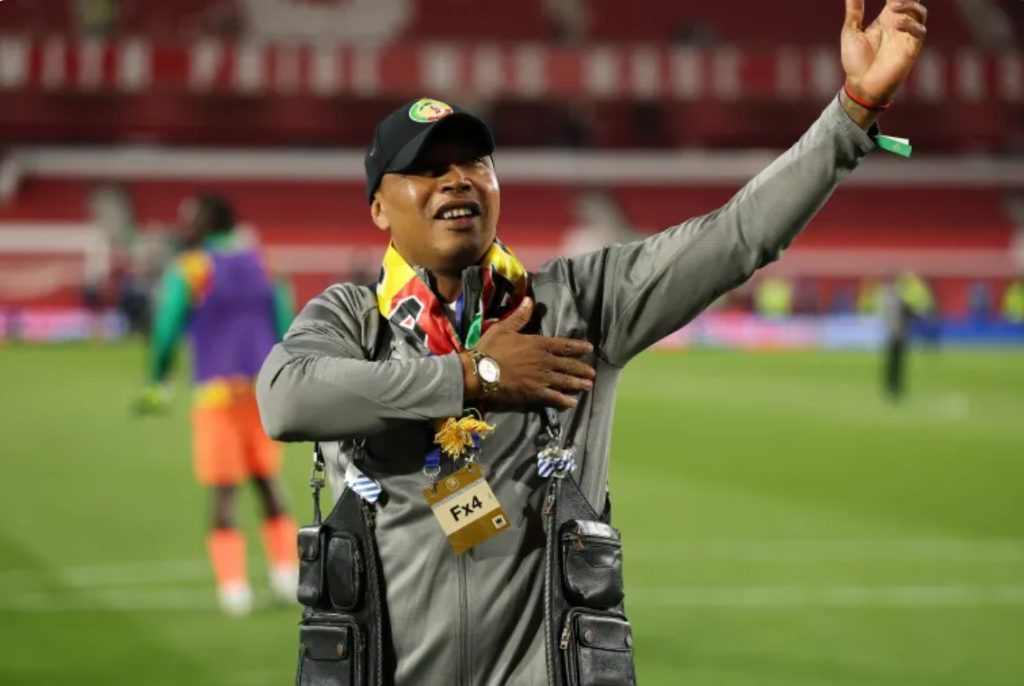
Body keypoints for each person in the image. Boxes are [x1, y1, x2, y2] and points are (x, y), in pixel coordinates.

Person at [257, 1, 928, 682]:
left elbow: (736, 236)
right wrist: (476, 376)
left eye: (475, 162)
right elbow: (285, 400)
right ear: (379, 207)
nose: (458, 179)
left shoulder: (578, 303)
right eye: (428, 168)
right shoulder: (353, 319)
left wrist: (853, 113)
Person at [136, 193, 299, 616]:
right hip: (263, 390)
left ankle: (233, 588)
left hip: (217, 394)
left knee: (224, 491)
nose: (184, 226)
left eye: (190, 219)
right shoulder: (265, 261)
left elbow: (167, 328)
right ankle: (287, 576)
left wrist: (157, 378)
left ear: (208, 222)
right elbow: (286, 322)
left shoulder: (192, 267)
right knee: (269, 482)